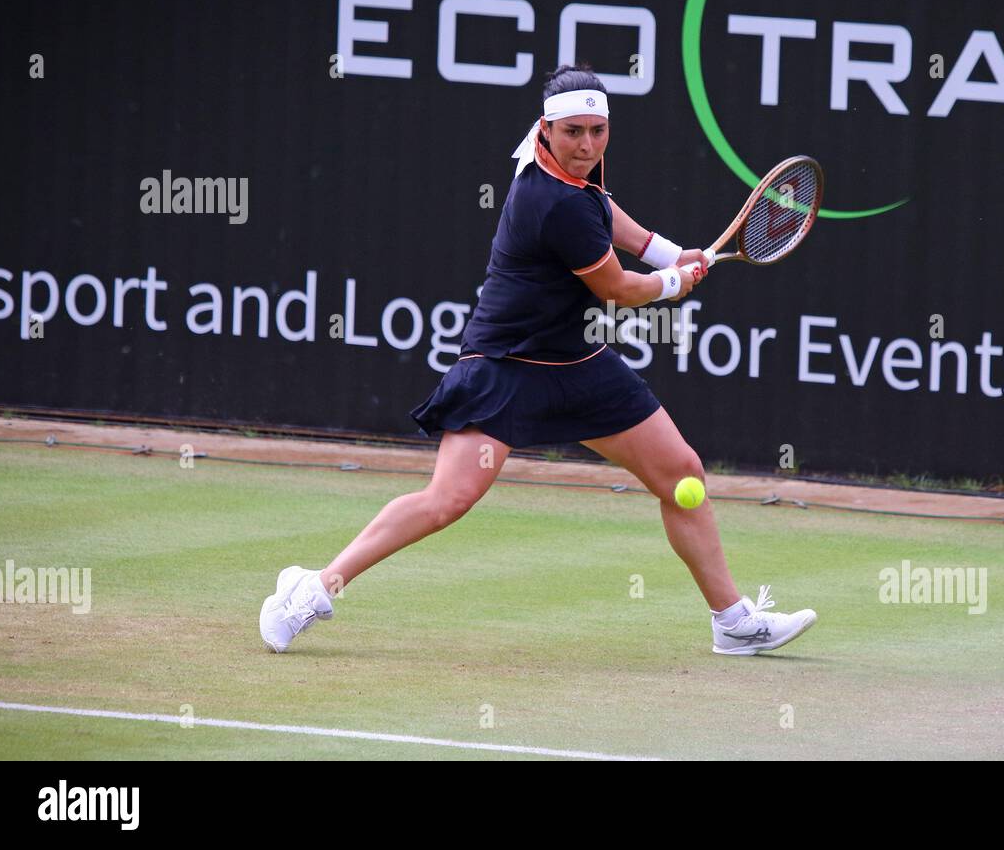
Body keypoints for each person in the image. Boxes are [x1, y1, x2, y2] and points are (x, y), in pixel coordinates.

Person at [259, 65, 816, 656]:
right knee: (447, 501)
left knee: (682, 476)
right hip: (505, 367)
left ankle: (732, 621)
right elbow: (617, 290)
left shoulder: (563, 166)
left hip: (577, 365)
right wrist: (673, 281)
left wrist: (670, 252)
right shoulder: (551, 204)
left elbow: (605, 209)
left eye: (598, 131)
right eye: (573, 132)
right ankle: (311, 590)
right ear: (546, 129)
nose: (587, 145)